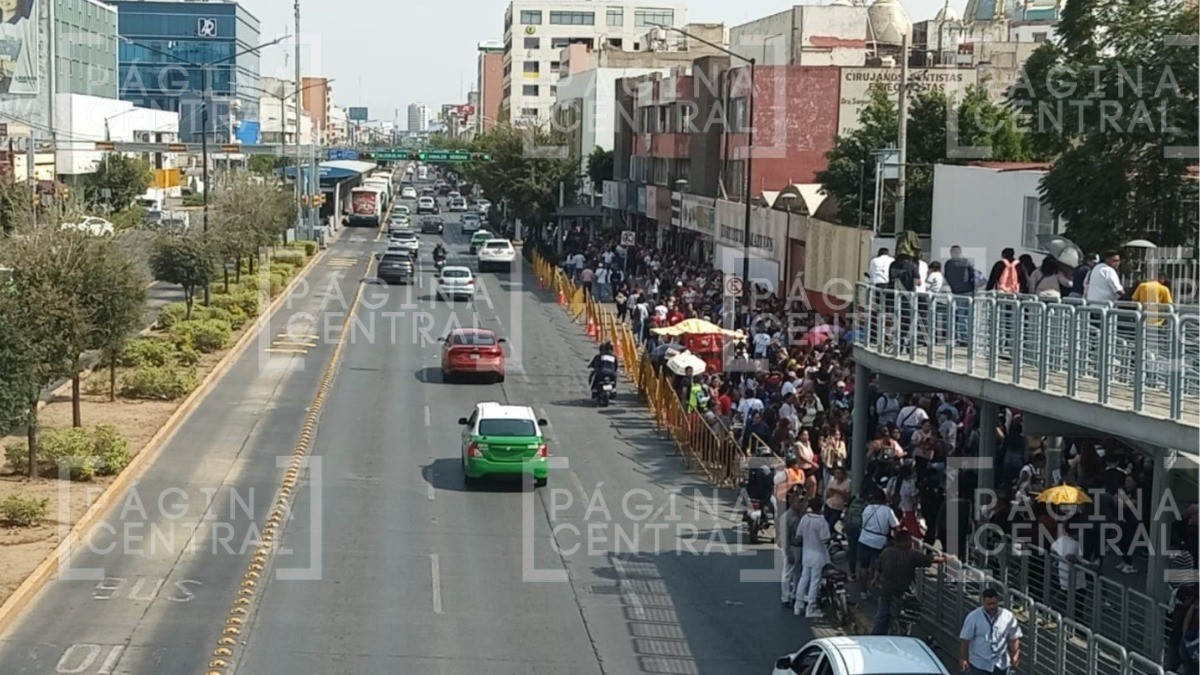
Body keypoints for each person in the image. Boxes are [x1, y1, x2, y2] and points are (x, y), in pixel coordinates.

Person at [870, 530, 950, 634]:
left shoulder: (886, 552)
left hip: (885, 589)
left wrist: (874, 580)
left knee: (881, 616)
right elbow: (930, 560)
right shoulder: (912, 554)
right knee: (906, 618)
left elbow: (878, 569)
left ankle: (877, 636)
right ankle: (903, 634)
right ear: (907, 541)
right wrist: (945, 558)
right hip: (904, 592)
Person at [959, 587, 1022, 674]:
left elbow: (1014, 638)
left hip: (1001, 664)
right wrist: (964, 658)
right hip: (979, 664)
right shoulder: (973, 617)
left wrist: (1015, 654)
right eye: (988, 604)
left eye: (994, 604)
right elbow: (965, 640)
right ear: (983, 602)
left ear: (998, 602)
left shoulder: (1008, 617)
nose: (991, 606)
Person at [857, 488, 900, 600]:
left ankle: (863, 591)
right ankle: (875, 584)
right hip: (879, 541)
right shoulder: (887, 510)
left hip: (864, 538)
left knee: (863, 565)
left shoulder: (867, 508)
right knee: (878, 564)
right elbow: (896, 526)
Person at [794, 497, 832, 619]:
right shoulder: (821, 521)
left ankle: (798, 605)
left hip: (806, 554)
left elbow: (798, 536)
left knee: (804, 579)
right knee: (815, 581)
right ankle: (811, 608)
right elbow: (825, 539)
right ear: (821, 507)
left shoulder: (805, 518)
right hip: (818, 555)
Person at [779, 497, 807, 607]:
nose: (801, 504)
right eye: (799, 502)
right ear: (792, 503)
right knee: (788, 572)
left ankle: (795, 594)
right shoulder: (787, 517)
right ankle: (785, 597)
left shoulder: (800, 514)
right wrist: (788, 552)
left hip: (800, 547)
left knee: (798, 573)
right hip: (792, 547)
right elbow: (784, 536)